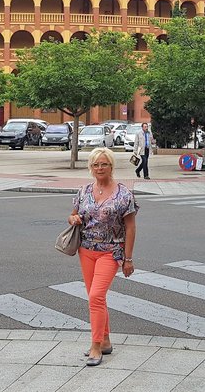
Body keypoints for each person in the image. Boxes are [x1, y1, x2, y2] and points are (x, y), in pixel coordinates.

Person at [67, 147, 138, 366]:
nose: (100, 168)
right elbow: (72, 215)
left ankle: (95, 346)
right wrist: (74, 219)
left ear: (111, 166)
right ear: (91, 167)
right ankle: (105, 340)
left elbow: (131, 227)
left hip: (111, 251)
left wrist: (128, 259)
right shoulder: (84, 190)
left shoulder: (124, 193)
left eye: (104, 164)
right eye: (96, 164)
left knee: (95, 296)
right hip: (86, 250)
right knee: (96, 297)